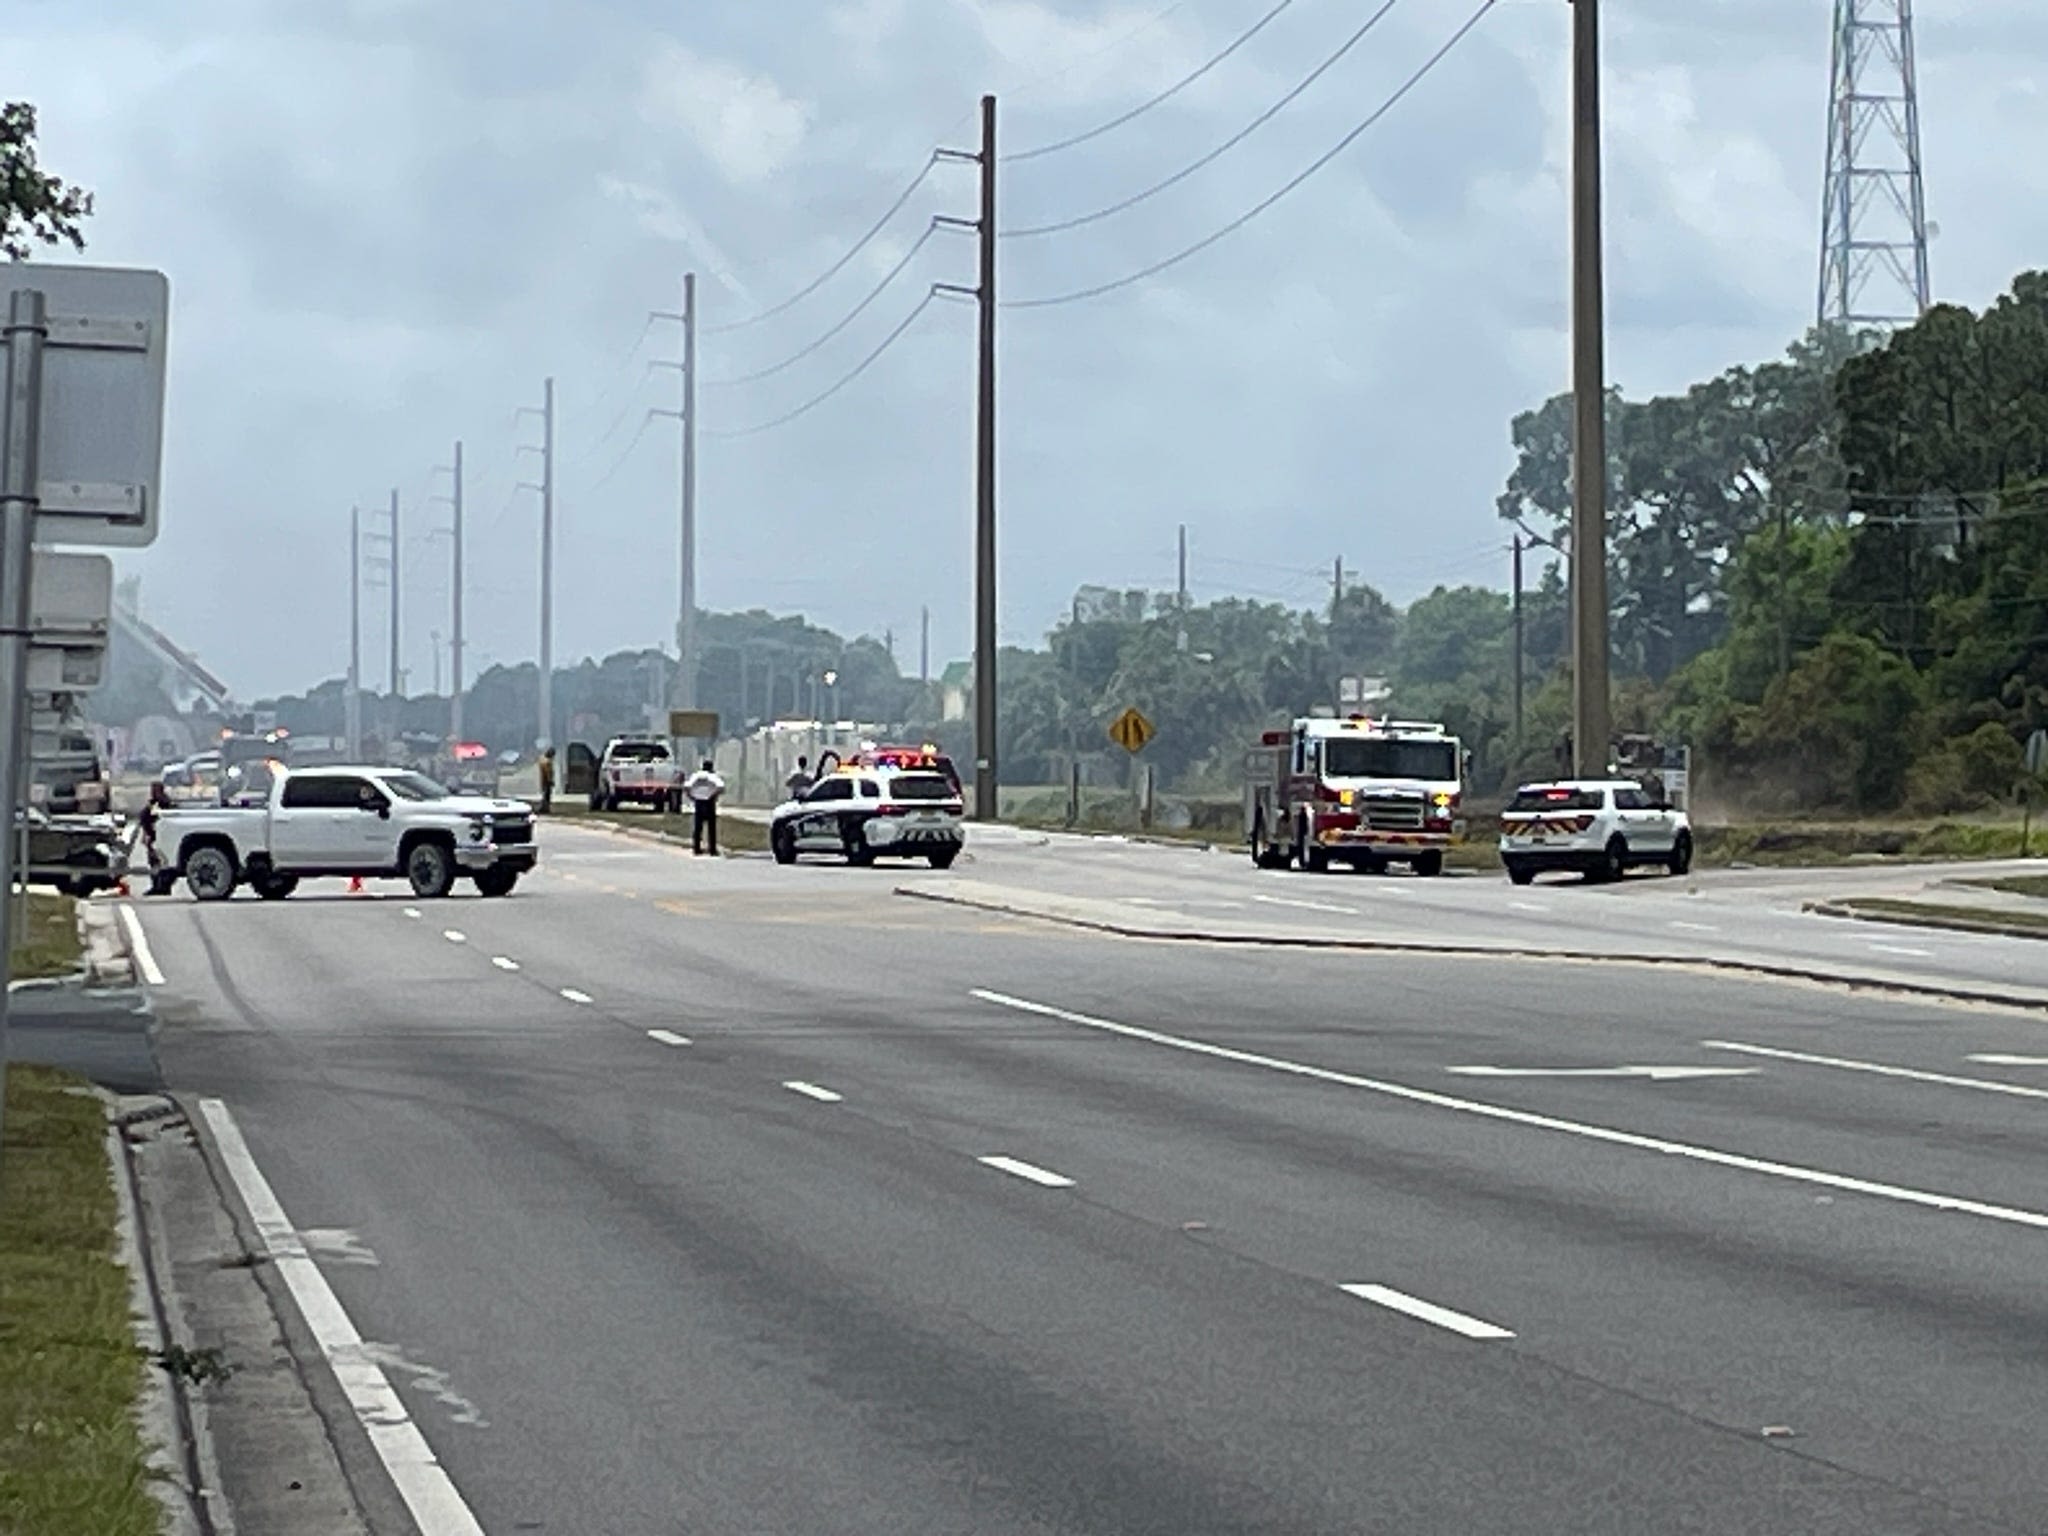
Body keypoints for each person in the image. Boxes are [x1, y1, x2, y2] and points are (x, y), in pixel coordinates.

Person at [138, 779, 175, 896]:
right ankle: (157, 885)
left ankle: (163, 886)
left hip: (160, 836)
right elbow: (144, 817)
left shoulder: (164, 803)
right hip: (152, 835)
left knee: (161, 862)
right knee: (154, 862)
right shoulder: (153, 803)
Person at [683, 758, 725, 856]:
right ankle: (712, 850)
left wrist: (691, 796)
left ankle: (696, 848)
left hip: (698, 802)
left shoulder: (696, 775)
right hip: (709, 802)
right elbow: (721, 787)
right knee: (711, 828)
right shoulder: (712, 776)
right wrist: (714, 795)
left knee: (698, 827)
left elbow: (686, 787)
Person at [537, 747, 556, 815]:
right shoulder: (548, 762)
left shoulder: (542, 759)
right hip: (547, 781)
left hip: (543, 780)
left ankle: (544, 807)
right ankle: (545, 808)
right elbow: (548, 772)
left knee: (544, 794)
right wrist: (550, 780)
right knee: (547, 795)